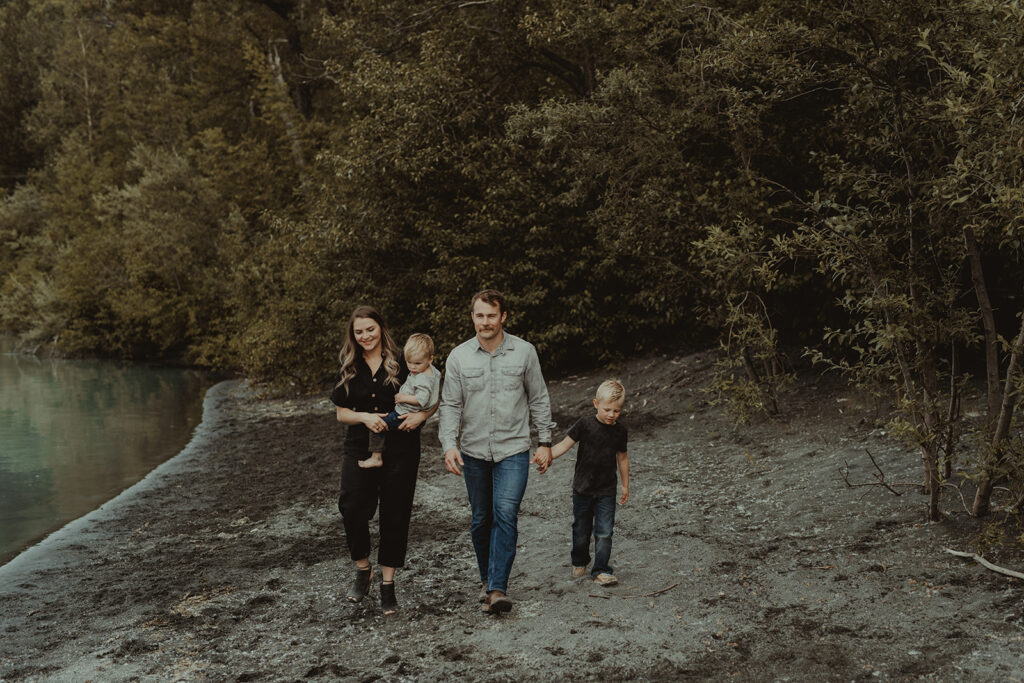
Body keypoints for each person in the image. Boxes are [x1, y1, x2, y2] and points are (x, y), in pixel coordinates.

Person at [440, 289, 555, 614]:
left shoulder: (524, 352)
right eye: (480, 315)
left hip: (513, 450)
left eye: (492, 315)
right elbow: (450, 404)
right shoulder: (459, 357)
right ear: (473, 317)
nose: (485, 322)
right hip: (473, 451)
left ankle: (497, 588)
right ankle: (487, 579)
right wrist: (449, 444)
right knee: (480, 520)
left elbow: (539, 397)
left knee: (505, 514)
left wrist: (545, 441)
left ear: (503, 316)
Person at [330, 306, 437, 615]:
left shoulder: (405, 359)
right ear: (353, 334)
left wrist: (421, 416)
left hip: (402, 448)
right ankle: (364, 569)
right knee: (351, 506)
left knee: (395, 513)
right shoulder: (349, 366)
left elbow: (433, 393)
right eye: (359, 331)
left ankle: (387, 586)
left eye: (370, 329)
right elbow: (341, 412)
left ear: (381, 328)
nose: (365, 336)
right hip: (359, 447)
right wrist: (363, 416)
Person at [538, 379, 630, 587]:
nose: (611, 415)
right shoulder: (584, 424)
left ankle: (601, 569)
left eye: (617, 411)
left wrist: (625, 485)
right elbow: (564, 444)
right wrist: (547, 456)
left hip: (607, 490)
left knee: (605, 531)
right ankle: (579, 560)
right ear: (596, 403)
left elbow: (622, 459)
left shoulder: (620, 432)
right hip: (582, 488)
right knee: (581, 529)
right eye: (607, 409)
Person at [362, 333, 440, 469]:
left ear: (430, 359)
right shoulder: (432, 372)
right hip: (413, 413)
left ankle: (376, 456)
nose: (412, 367)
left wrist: (403, 398)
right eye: (409, 362)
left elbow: (422, 399)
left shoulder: (422, 379)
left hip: (405, 413)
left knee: (377, 425)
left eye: (417, 363)